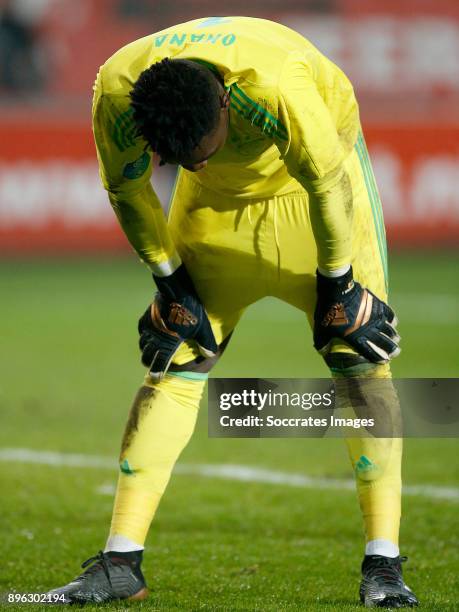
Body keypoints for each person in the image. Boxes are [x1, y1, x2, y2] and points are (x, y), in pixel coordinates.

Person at [48, 16, 418, 608]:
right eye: (177, 160)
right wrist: (170, 282)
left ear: (225, 105)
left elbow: (325, 184)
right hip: (213, 212)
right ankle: (120, 564)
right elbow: (127, 191)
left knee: (360, 357)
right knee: (176, 355)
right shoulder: (119, 88)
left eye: (196, 151)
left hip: (312, 198)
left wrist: (340, 286)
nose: (189, 166)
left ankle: (384, 567)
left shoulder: (276, 84)